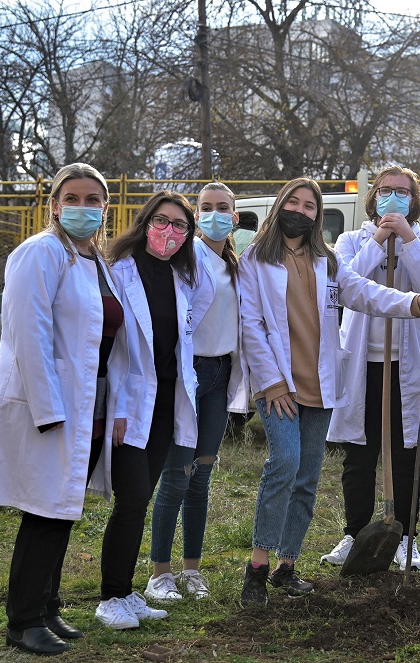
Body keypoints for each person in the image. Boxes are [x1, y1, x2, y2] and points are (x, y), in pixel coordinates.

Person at [238, 177, 420, 607]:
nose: (301, 211)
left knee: (307, 478)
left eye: (310, 206)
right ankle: (257, 567)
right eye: (294, 202)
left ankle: (287, 565)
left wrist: (411, 304)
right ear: (279, 206)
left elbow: (363, 292)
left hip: (320, 383)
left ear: (316, 216)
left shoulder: (325, 260)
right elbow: (250, 324)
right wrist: (271, 382)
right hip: (279, 384)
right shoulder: (255, 258)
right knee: (284, 464)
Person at [0, 163, 127, 655]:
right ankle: (23, 621)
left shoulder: (95, 261)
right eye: (72, 198)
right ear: (54, 205)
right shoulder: (40, 252)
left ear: (105, 208)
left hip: (88, 403)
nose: (83, 208)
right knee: (44, 512)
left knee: (62, 508)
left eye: (93, 199)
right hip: (53, 405)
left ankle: (48, 606)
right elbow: (27, 334)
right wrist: (48, 409)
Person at [323, 166, 420, 572]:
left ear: (414, 200)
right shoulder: (350, 240)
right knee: (359, 454)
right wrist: (378, 240)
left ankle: (406, 538)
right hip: (363, 361)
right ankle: (354, 533)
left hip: (406, 362)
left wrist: (407, 239)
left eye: (402, 192)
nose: (393, 197)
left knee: (407, 454)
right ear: (373, 197)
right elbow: (345, 280)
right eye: (385, 190)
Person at [94, 191, 199, 629]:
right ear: (144, 223)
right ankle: (109, 598)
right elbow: (111, 346)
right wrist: (117, 407)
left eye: (180, 225)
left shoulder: (181, 277)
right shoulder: (119, 271)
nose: (169, 231)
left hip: (165, 404)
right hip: (129, 403)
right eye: (161, 220)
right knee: (132, 497)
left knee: (140, 501)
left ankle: (124, 591)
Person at [146, 183, 247, 601]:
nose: (214, 214)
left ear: (235, 217)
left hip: (220, 376)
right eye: (206, 208)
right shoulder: (186, 259)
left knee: (201, 477)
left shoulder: (236, 265)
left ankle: (191, 570)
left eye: (223, 208)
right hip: (190, 375)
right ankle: (160, 574)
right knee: (176, 476)